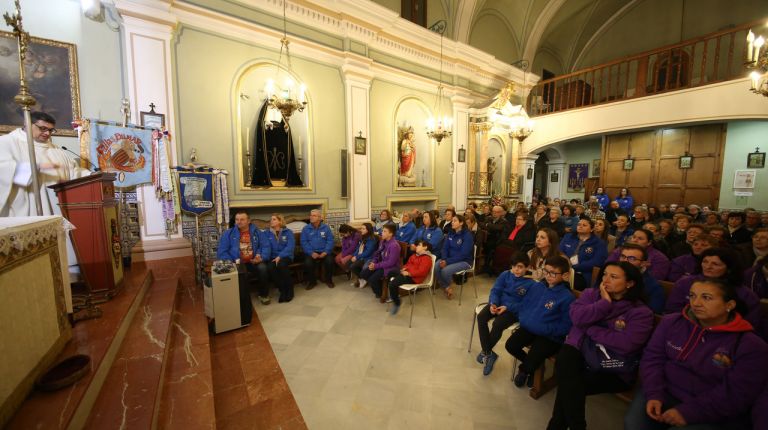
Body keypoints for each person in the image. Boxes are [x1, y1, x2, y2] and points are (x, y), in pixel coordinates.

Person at [625, 279, 768, 430]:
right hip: (664, 391)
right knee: (633, 425)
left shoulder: (750, 345)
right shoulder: (671, 322)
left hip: (711, 409)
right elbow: (652, 358)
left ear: (729, 305)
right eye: (692, 296)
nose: (696, 303)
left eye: (706, 297)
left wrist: (688, 412)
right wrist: (654, 393)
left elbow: (735, 394)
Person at [547, 262, 654, 430]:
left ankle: (557, 426)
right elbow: (576, 317)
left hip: (612, 365)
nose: (606, 280)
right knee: (566, 363)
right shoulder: (591, 294)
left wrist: (589, 328)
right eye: (604, 274)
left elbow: (626, 344)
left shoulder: (640, 312)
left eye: (613, 276)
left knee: (570, 385)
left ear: (630, 283)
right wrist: (604, 303)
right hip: (581, 351)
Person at [0, 111, 91, 217]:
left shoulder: (56, 149)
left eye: (51, 130)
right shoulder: (7, 142)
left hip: (57, 207)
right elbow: (4, 172)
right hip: (28, 210)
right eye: (43, 128)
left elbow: (73, 171)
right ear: (27, 123)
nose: (47, 133)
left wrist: (90, 175)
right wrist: (36, 168)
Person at [505, 256, 575, 388]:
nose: (548, 276)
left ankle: (525, 370)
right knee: (511, 345)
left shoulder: (567, 297)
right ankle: (532, 368)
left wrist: (544, 329)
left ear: (565, 275)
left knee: (536, 352)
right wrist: (524, 319)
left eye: (553, 273)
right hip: (531, 326)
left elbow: (566, 326)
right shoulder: (538, 287)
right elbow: (525, 305)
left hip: (550, 335)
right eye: (546, 271)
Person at [665, 248, 762, 329]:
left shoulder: (744, 293)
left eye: (715, 264)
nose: (708, 267)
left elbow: (751, 323)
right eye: (705, 262)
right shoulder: (685, 283)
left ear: (729, 268)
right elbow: (673, 310)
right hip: (687, 329)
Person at [476, 252, 536, 375]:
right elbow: (496, 290)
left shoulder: (531, 283)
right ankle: (488, 353)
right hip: (498, 304)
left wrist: (507, 307)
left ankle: (486, 352)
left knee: (498, 324)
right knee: (481, 316)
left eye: (520, 267)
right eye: (514, 266)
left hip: (513, 310)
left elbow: (525, 304)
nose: (516, 270)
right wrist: (493, 303)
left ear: (527, 267)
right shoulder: (505, 274)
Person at [217, 211, 271, 304]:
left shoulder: (257, 232)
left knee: (263, 268)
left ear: (248, 221)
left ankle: (263, 295)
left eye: (242, 219)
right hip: (237, 262)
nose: (239, 222)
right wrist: (232, 262)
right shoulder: (228, 233)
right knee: (242, 273)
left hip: (253, 261)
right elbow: (222, 252)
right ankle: (243, 300)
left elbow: (265, 246)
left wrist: (260, 257)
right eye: (237, 219)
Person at [614, 243, 666, 314]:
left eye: (632, 258)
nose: (625, 261)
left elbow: (653, 314)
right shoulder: (610, 275)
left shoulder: (654, 287)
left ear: (643, 264)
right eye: (623, 256)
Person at [387, 239, 433, 316]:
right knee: (391, 272)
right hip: (407, 273)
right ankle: (395, 294)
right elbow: (408, 264)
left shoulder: (427, 258)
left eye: (419, 245)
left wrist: (409, 273)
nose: (416, 246)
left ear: (425, 247)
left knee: (392, 284)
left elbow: (422, 272)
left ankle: (397, 303)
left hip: (415, 278)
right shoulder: (414, 255)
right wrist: (404, 268)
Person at [560, 218, 608, 290]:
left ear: (591, 229)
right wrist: (565, 264)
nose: (580, 226)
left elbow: (597, 262)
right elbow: (559, 252)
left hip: (582, 274)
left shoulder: (599, 243)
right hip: (563, 269)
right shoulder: (568, 237)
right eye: (579, 224)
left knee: (561, 283)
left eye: (584, 225)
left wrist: (574, 267)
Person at [434, 214, 474, 299]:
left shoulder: (467, 235)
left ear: (461, 223)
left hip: (465, 261)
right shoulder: (450, 233)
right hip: (449, 259)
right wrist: (444, 259)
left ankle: (446, 285)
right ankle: (447, 287)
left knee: (445, 271)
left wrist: (447, 262)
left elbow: (463, 254)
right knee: (437, 265)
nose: (452, 222)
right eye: (452, 221)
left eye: (455, 221)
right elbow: (445, 248)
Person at [359, 224, 400, 297]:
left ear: (390, 234)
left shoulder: (394, 246)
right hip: (381, 264)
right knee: (363, 274)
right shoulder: (383, 241)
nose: (382, 232)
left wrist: (376, 266)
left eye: (384, 231)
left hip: (390, 268)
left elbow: (391, 262)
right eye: (382, 230)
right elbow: (377, 254)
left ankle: (380, 294)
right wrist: (373, 262)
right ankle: (379, 287)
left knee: (372, 279)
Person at [301, 209, 335, 289]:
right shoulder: (306, 228)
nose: (311, 217)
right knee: (308, 263)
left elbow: (330, 240)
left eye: (314, 215)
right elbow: (304, 242)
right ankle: (312, 282)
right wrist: (311, 253)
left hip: (324, 251)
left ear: (320, 218)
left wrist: (326, 252)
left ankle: (329, 280)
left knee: (330, 261)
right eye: (311, 215)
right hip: (311, 252)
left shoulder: (326, 228)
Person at [266, 213, 296, 303]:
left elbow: (290, 247)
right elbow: (266, 246)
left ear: (280, 221)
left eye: (274, 219)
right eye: (271, 219)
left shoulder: (288, 232)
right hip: (273, 257)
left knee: (282, 265)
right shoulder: (267, 233)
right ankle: (282, 291)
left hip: (286, 256)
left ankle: (290, 290)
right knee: (270, 267)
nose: (271, 221)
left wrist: (280, 256)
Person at [349, 223, 378, 288]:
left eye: (363, 229)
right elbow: (358, 248)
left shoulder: (372, 239)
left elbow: (368, 252)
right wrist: (354, 255)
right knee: (350, 263)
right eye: (361, 228)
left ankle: (363, 279)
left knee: (353, 266)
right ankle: (361, 279)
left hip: (368, 258)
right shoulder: (364, 237)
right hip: (362, 256)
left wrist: (357, 257)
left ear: (368, 230)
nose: (361, 230)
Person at [483, 205, 511, 272]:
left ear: (500, 213)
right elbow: (483, 225)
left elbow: (497, 228)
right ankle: (484, 265)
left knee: (489, 246)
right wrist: (490, 227)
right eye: (493, 212)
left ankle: (487, 266)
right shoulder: (489, 218)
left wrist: (488, 226)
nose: (494, 213)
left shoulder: (504, 221)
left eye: (496, 212)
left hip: (498, 241)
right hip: (488, 238)